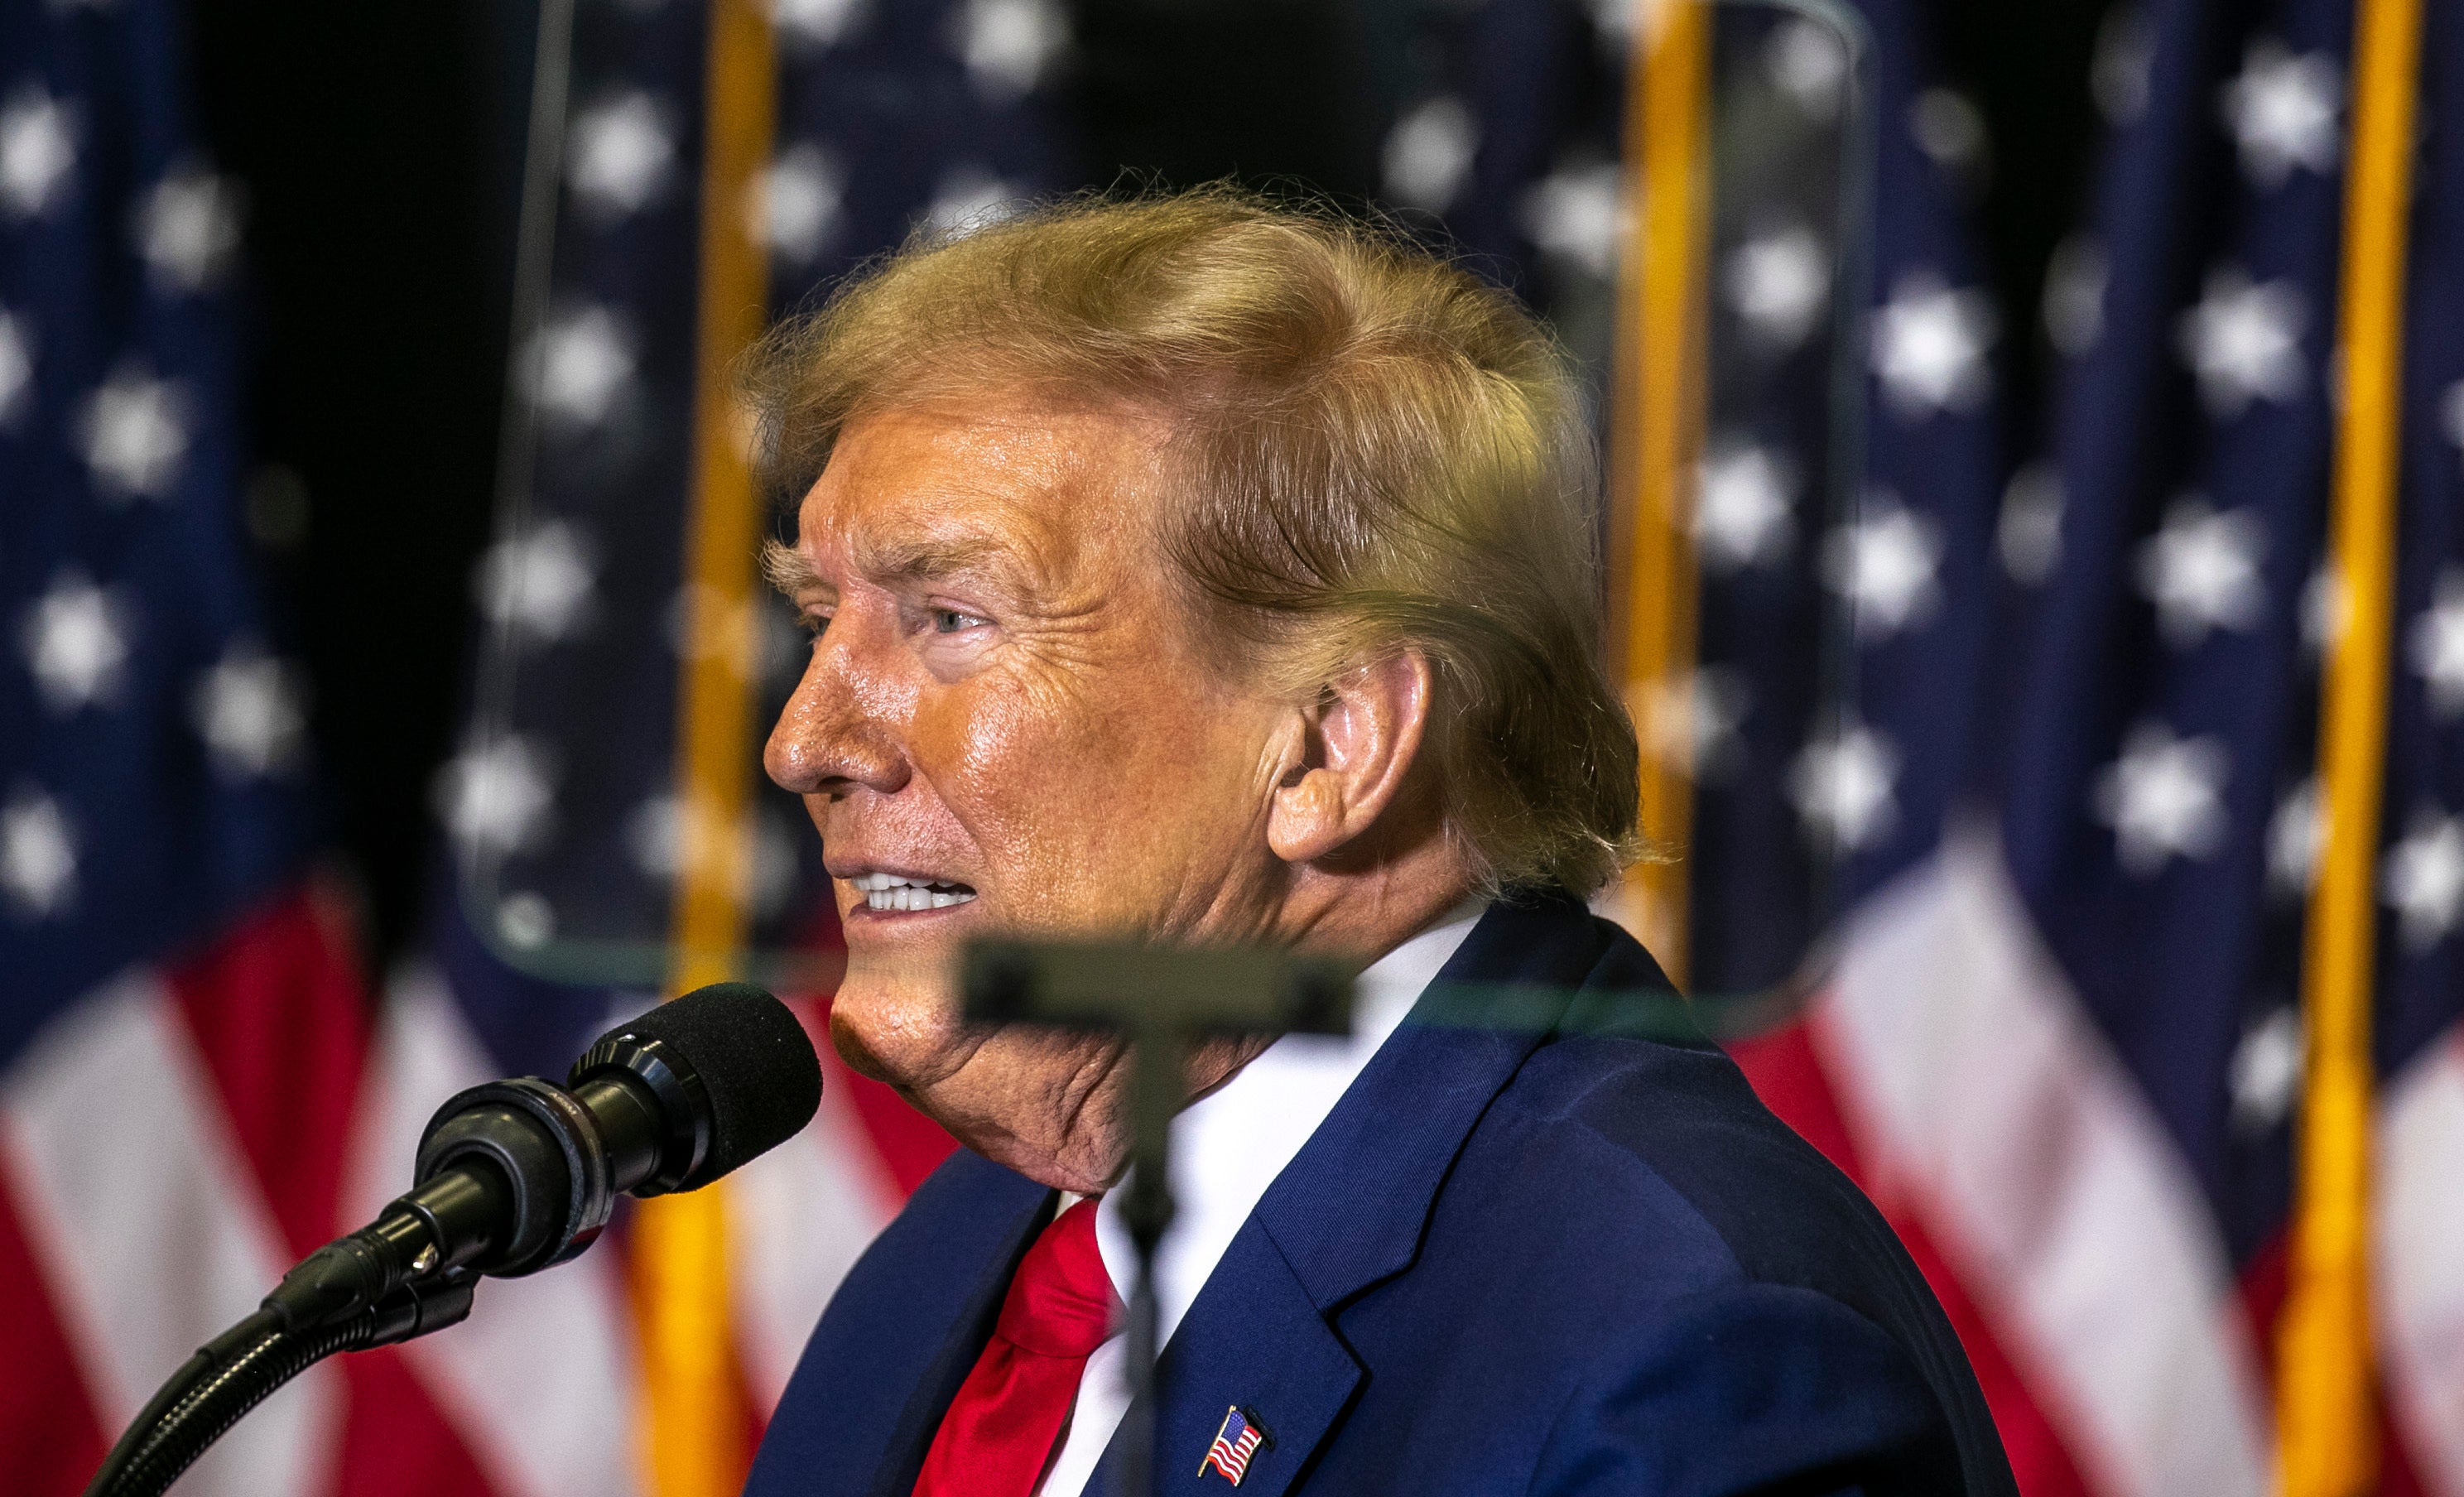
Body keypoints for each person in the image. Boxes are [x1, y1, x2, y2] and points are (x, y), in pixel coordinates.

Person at [738, 189, 2013, 1497]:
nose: (803, 740)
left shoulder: (1683, 1349)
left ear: (1332, 743)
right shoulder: (964, 1265)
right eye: (821, 616)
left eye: (950, 619)